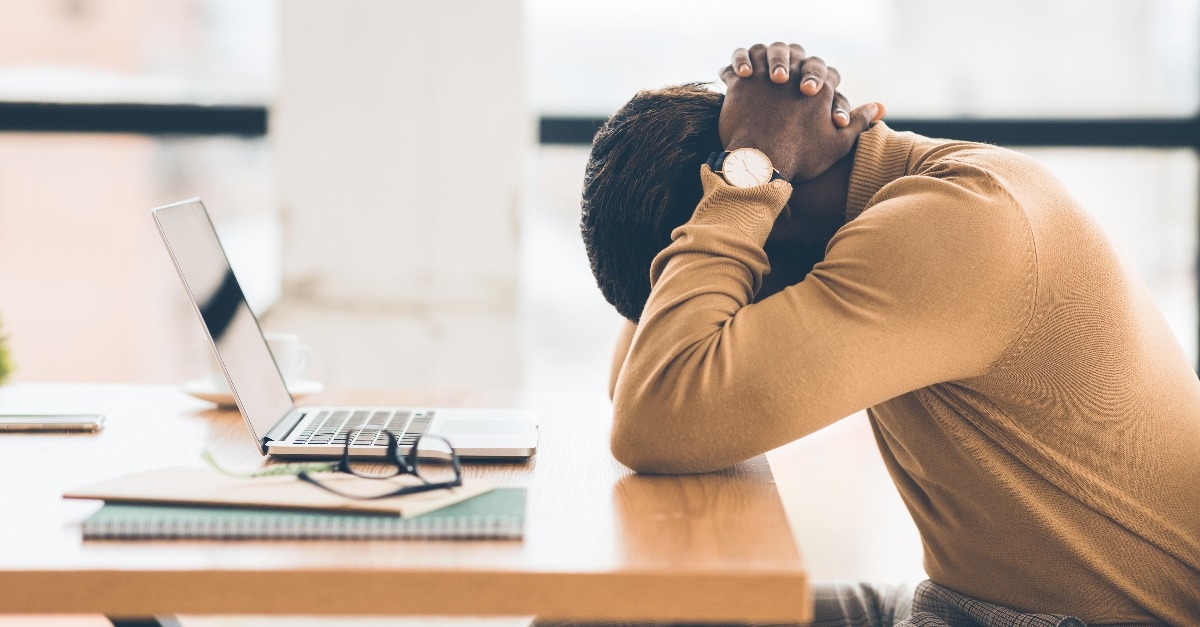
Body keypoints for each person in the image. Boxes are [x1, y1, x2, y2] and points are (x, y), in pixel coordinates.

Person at [579, 42, 1200, 625]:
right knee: (606, 613)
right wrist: (747, 157)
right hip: (976, 601)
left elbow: (655, 418)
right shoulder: (897, 201)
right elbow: (635, 385)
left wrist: (747, 172)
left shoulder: (951, 224)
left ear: (774, 209)